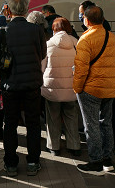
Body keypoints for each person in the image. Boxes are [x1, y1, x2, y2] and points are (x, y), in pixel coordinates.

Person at [0, 0, 46, 177]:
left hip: (10, 85)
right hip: (32, 84)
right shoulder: (36, 30)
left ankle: (11, 163)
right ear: (27, 9)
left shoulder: (2, 32)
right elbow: (43, 54)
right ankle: (33, 162)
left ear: (9, 10)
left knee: (10, 123)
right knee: (33, 124)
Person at [73, 5, 115, 175]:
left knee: (91, 125)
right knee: (106, 123)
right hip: (109, 89)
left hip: (91, 89)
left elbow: (81, 69)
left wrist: (77, 88)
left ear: (86, 20)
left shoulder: (85, 39)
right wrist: (114, 84)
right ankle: (107, 159)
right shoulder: (113, 38)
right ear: (103, 19)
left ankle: (96, 162)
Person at [41, 17, 81, 157]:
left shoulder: (48, 44)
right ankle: (74, 146)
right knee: (72, 116)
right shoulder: (76, 43)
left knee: (53, 117)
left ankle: (54, 147)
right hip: (71, 87)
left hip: (52, 88)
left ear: (54, 29)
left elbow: (42, 67)